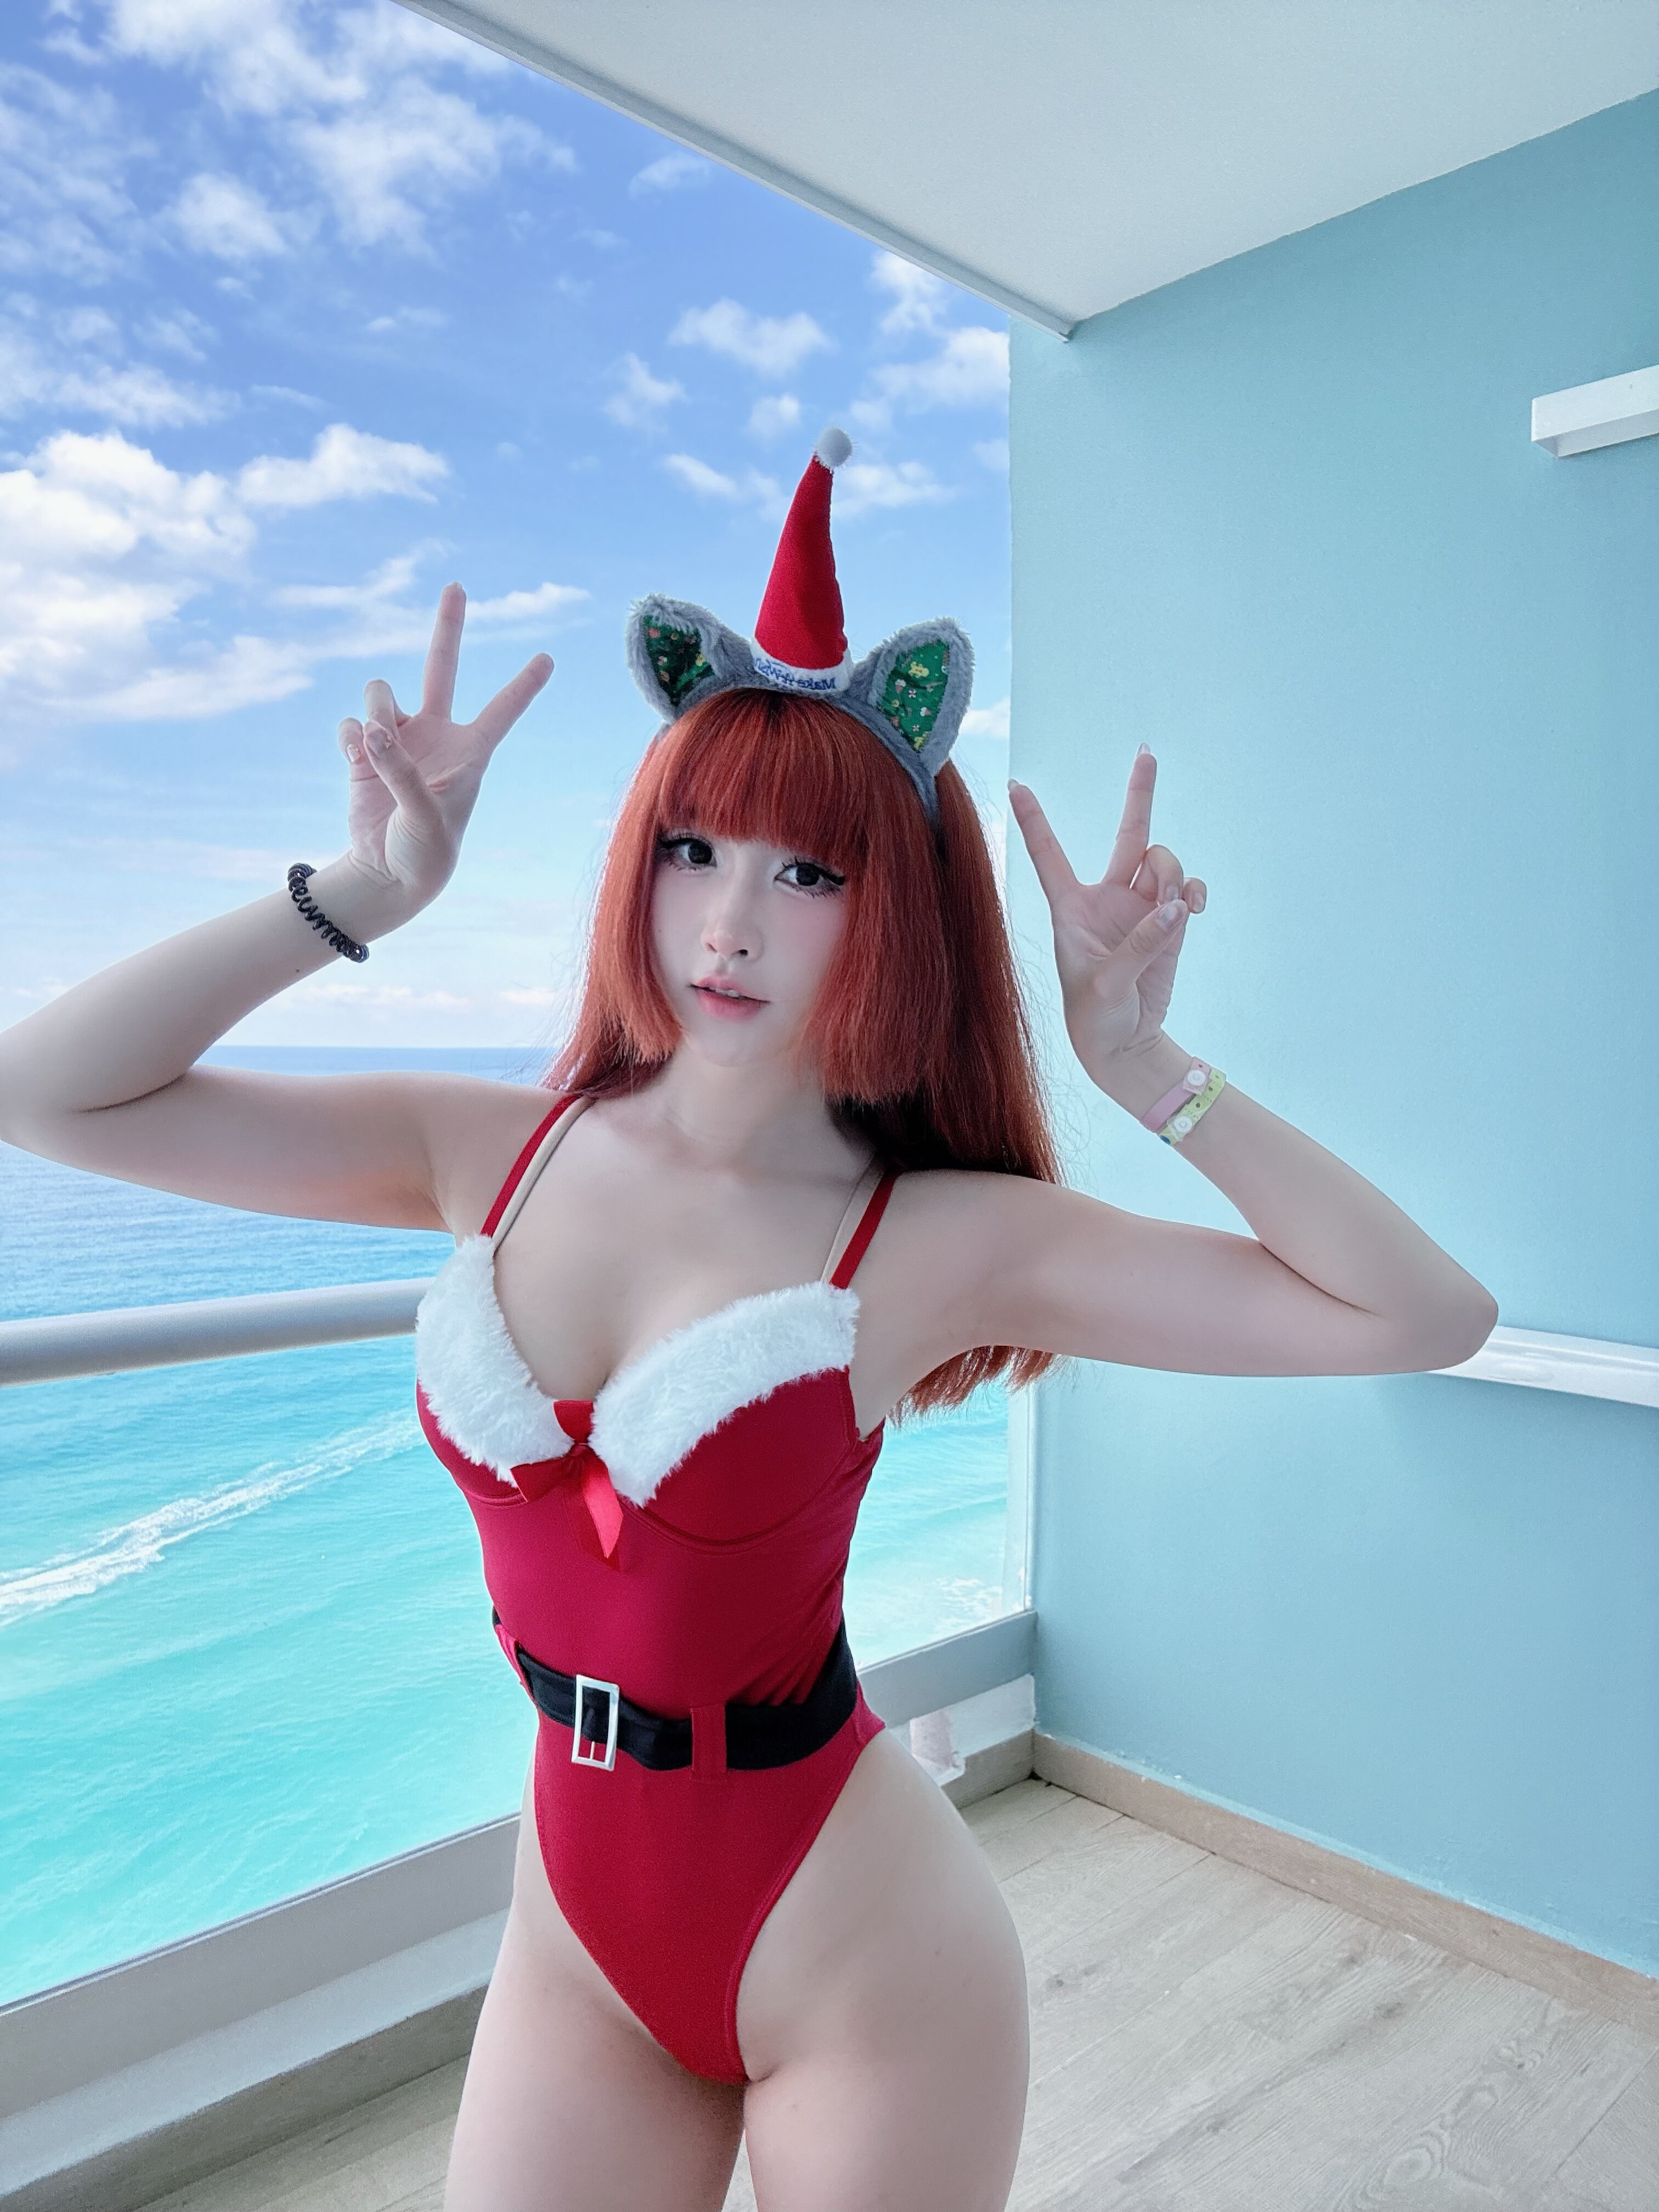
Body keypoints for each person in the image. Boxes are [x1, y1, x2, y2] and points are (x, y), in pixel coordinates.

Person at [0, 430, 1497, 2212]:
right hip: (578, 1927)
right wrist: (362, 900)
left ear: (896, 910)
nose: (727, 923)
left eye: (808, 873)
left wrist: (1143, 1063)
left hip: (857, 1952)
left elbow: (1422, 1314)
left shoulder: (941, 1241)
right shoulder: (487, 1151)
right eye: (694, 848)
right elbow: (46, 1094)